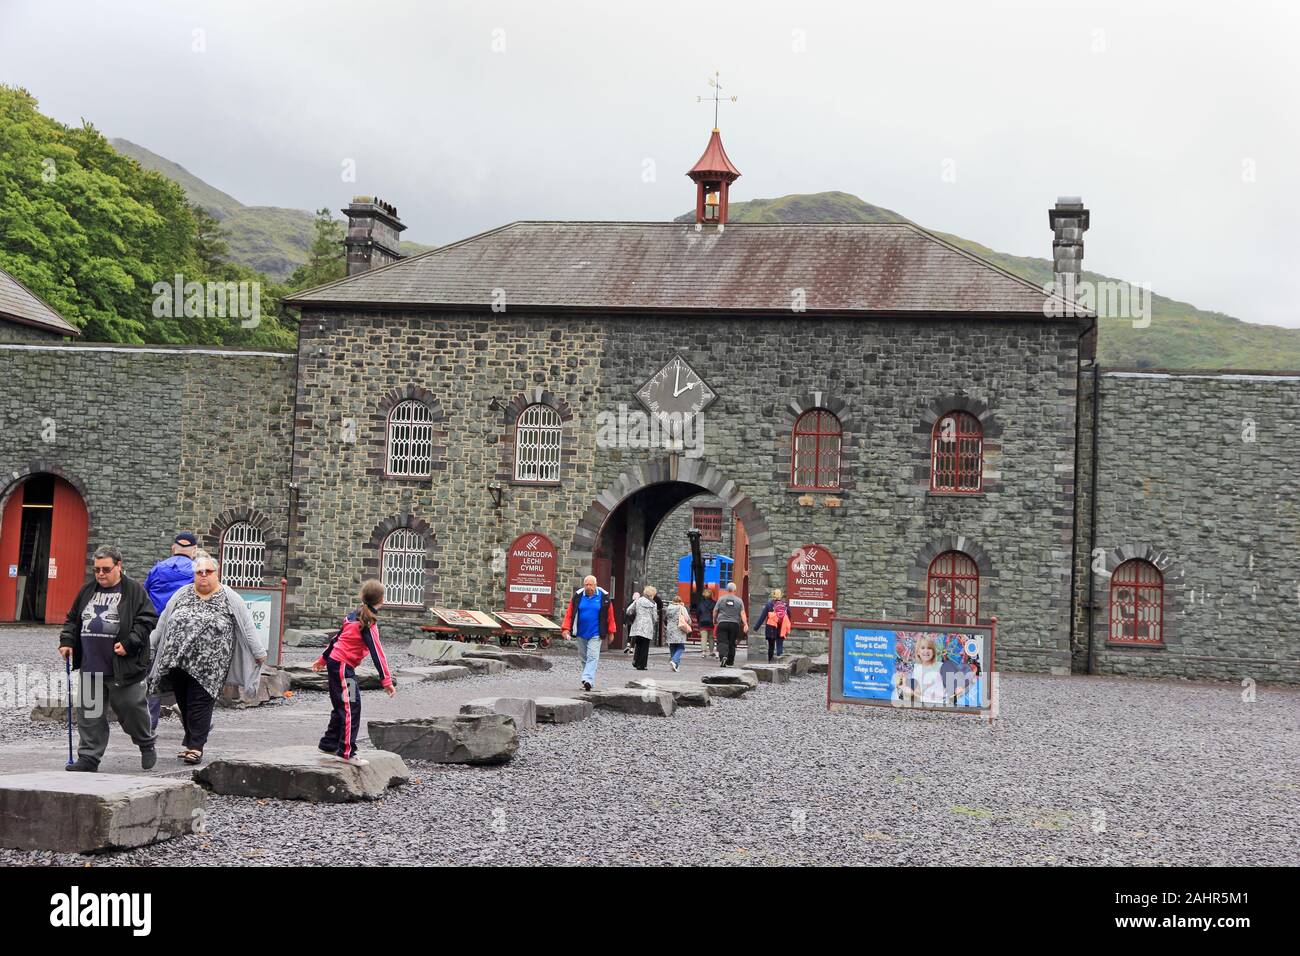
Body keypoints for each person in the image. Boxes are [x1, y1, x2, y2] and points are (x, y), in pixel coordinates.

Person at [147, 550, 266, 765]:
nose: (203, 575)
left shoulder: (229, 596)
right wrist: (151, 646)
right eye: (199, 572)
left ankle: (195, 747)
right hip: (177, 660)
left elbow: (247, 626)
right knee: (184, 702)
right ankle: (191, 740)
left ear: (216, 573)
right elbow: (163, 622)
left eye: (208, 571)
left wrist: (258, 653)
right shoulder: (182, 594)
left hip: (211, 665)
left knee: (199, 702)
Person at [59, 546, 159, 772]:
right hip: (91, 664)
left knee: (132, 709)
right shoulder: (87, 591)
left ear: (118, 566)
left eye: (105, 569)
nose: (100, 574)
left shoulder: (134, 591)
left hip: (123, 666)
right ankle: (89, 758)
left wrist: (129, 643)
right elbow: (72, 619)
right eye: (96, 570)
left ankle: (146, 743)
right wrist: (66, 641)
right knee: (90, 713)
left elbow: (147, 620)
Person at [311, 579, 395, 766]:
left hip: (336, 663)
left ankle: (329, 743)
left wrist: (323, 659)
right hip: (342, 668)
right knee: (351, 707)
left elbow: (336, 639)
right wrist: (386, 681)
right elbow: (377, 652)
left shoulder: (353, 615)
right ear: (382, 599)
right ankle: (346, 752)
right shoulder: (368, 622)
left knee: (342, 705)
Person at [142, 531, 199, 730]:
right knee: (188, 674)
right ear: (194, 550)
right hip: (185, 630)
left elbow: (144, 596)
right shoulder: (197, 571)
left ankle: (149, 724)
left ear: (173, 548)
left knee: (154, 674)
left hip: (157, 627)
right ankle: (190, 717)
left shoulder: (157, 569)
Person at [561, 574, 616, 691]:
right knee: (583, 657)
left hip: (596, 633)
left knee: (592, 656)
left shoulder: (603, 597)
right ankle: (587, 680)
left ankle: (588, 679)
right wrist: (565, 629)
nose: (588, 587)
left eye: (590, 584)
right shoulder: (578, 596)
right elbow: (569, 613)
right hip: (581, 632)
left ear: (595, 585)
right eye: (586, 584)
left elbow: (610, 616)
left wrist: (611, 631)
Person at [713, 582, 748, 667]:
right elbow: (742, 613)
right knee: (732, 643)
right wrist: (745, 624)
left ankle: (723, 656)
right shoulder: (739, 601)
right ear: (734, 590)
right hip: (735, 624)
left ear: (726, 589)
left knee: (722, 641)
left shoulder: (721, 599)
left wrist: (714, 620)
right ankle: (730, 661)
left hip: (722, 623)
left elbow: (715, 611)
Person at [752, 588, 792, 662]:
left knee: (771, 647)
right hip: (781, 628)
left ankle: (770, 663)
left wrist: (756, 628)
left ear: (773, 595)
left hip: (771, 628)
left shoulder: (769, 604)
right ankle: (779, 663)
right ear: (781, 595)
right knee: (779, 646)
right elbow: (789, 616)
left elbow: (762, 617)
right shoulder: (785, 605)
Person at [626, 585, 659, 671]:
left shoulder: (638, 600)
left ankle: (636, 661)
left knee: (638, 644)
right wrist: (654, 621)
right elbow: (655, 617)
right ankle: (642, 665)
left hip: (637, 626)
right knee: (645, 646)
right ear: (652, 594)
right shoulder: (653, 604)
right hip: (647, 627)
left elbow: (629, 610)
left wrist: (634, 616)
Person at [664, 594, 691, 672]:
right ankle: (674, 661)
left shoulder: (668, 608)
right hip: (680, 629)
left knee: (672, 646)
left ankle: (675, 666)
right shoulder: (682, 608)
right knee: (681, 647)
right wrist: (689, 623)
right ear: (680, 601)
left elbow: (665, 619)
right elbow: (687, 619)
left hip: (670, 629)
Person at [697, 585, 717, 658]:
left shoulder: (701, 603)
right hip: (711, 622)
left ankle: (703, 652)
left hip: (702, 622)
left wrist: (699, 620)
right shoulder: (714, 603)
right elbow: (716, 612)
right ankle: (711, 651)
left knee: (703, 637)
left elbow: (698, 613)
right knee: (711, 637)